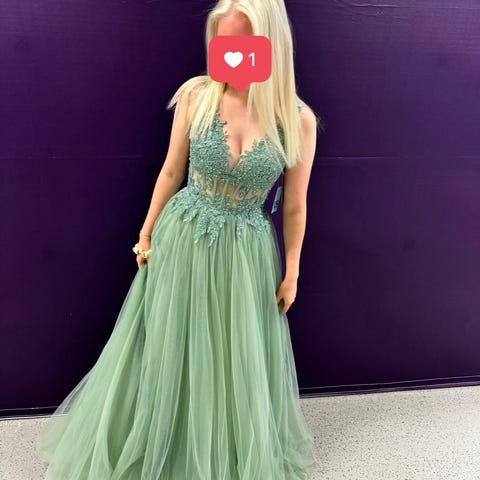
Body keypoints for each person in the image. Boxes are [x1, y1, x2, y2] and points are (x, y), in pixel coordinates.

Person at [36, 0, 320, 478]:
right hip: (184, 236)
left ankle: (218, 451)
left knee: (232, 357)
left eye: (242, 44)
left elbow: (294, 205)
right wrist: (146, 230)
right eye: (222, 44)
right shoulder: (197, 96)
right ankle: (157, 441)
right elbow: (171, 171)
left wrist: (292, 270)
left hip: (247, 253)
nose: (230, 55)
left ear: (270, 44)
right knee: (168, 343)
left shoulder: (296, 120)